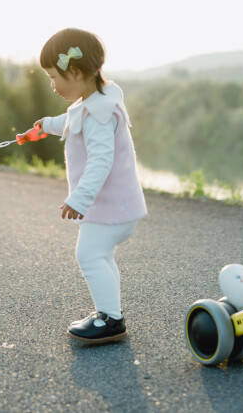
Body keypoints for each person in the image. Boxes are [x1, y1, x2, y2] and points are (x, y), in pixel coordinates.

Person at [28, 28, 147, 344]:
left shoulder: (98, 115)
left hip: (109, 208)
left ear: (77, 72)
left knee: (89, 255)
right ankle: (110, 314)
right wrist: (46, 126)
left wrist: (78, 199)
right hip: (119, 206)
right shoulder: (99, 101)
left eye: (54, 77)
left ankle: (111, 321)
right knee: (102, 256)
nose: (52, 86)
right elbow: (71, 121)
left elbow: (100, 161)